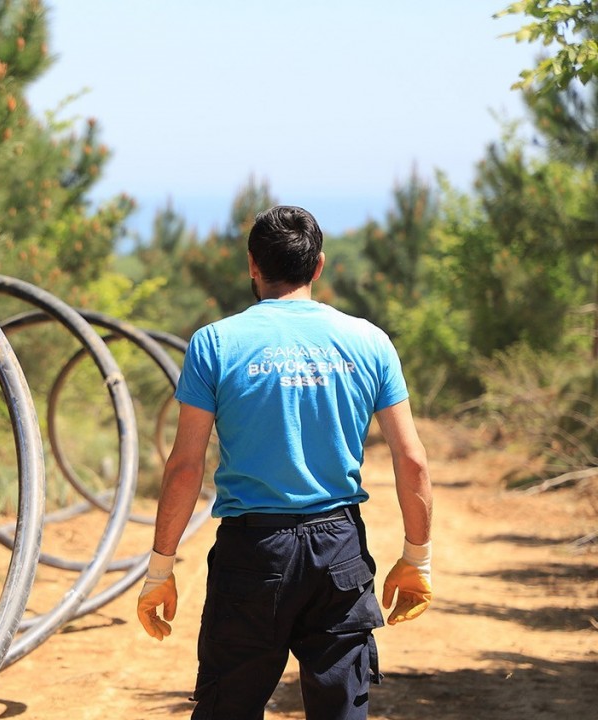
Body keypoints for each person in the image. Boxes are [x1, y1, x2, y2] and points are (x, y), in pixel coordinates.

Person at [136, 205, 433, 719]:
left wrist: (160, 567)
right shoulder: (370, 342)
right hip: (339, 554)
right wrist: (417, 558)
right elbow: (412, 461)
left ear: (252, 265)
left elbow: (186, 467)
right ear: (318, 266)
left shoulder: (215, 344)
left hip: (252, 553)